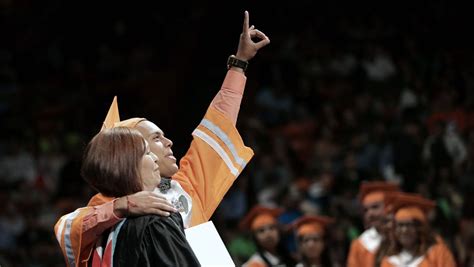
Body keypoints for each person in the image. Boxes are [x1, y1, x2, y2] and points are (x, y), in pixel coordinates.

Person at [54, 10, 270, 267]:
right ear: (130, 154)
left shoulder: (187, 189)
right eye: (155, 139)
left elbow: (217, 123)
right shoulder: (110, 201)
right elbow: (67, 230)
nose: (169, 143)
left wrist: (239, 64)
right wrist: (122, 207)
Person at [81, 127, 200, 266]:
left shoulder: (99, 232)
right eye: (148, 153)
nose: (155, 158)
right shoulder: (156, 222)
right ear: (128, 165)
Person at [380, 193, 456, 267]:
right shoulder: (388, 261)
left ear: (420, 229)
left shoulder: (438, 254)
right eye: (400, 225)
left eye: (409, 225)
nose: (404, 230)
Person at [347, 181, 400, 267]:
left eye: (375, 207)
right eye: (366, 210)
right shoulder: (360, 244)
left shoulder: (403, 239)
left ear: (389, 207)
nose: (369, 214)